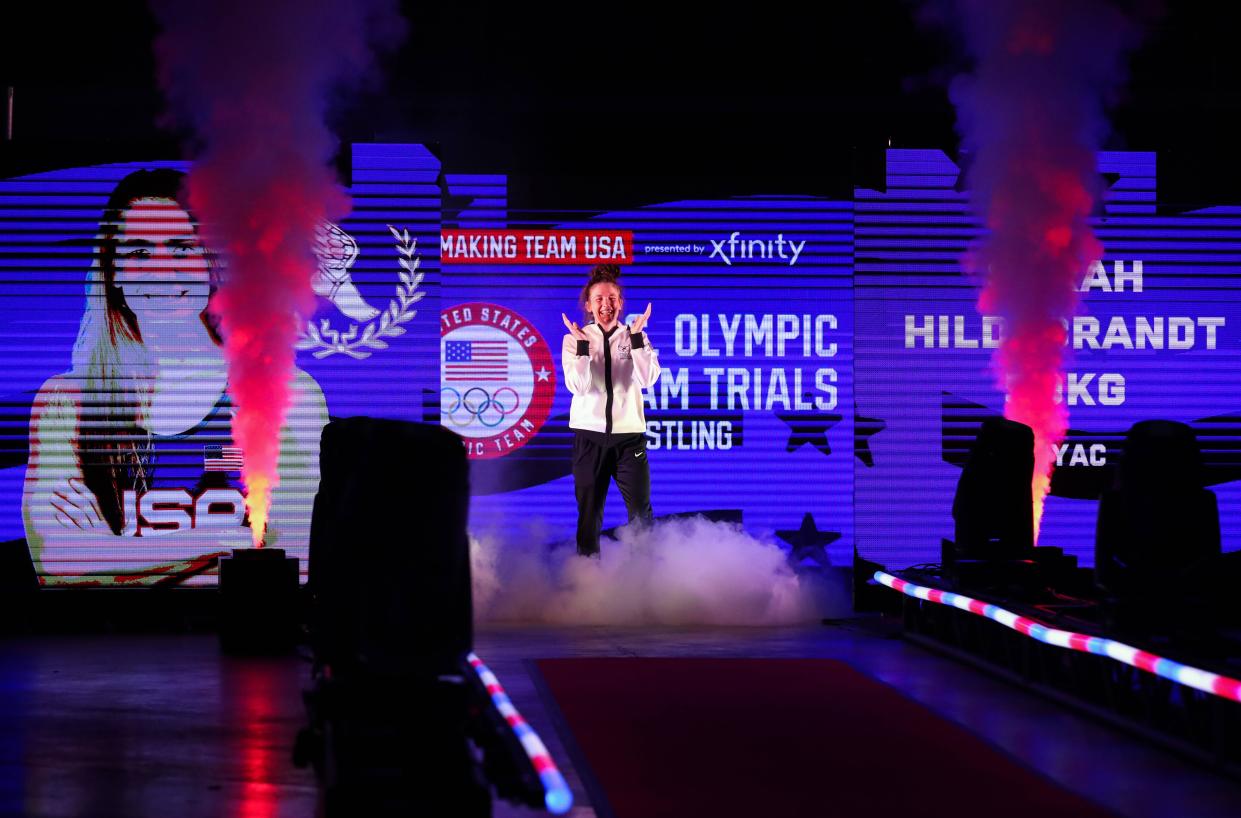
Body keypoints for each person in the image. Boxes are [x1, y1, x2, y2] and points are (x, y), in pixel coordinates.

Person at [21, 168, 328, 586]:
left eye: (182, 248)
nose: (163, 271)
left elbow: (299, 563)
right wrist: (226, 541)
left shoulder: (287, 394)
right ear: (113, 272)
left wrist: (113, 558)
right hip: (100, 643)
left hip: (246, 642)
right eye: (140, 253)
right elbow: (59, 562)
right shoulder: (66, 402)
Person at [561, 264, 660, 556]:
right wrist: (582, 348)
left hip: (629, 438)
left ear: (621, 303)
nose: (606, 305)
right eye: (599, 300)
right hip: (589, 438)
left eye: (612, 299)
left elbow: (648, 379)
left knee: (641, 513)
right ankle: (588, 581)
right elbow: (577, 386)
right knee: (589, 515)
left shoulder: (634, 335)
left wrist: (638, 340)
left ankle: (645, 580)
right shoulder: (575, 339)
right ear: (589, 305)